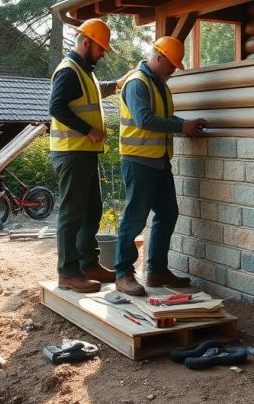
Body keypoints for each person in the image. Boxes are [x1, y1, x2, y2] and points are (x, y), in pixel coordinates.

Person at [113, 36, 207, 295]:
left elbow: (162, 118)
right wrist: (180, 126)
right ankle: (123, 273)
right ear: (158, 58)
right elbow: (144, 119)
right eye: (171, 65)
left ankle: (156, 271)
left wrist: (184, 124)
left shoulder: (160, 85)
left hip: (159, 161)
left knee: (168, 213)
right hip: (138, 161)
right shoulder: (137, 83)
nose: (173, 70)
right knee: (134, 219)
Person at [49, 19, 127, 293]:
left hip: (84, 153)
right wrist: (89, 130)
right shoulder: (69, 71)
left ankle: (88, 264)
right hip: (72, 153)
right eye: (101, 47)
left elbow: (92, 92)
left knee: (92, 209)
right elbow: (56, 107)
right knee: (72, 215)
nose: (104, 53)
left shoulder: (84, 71)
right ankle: (68, 273)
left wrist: (115, 84)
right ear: (86, 42)